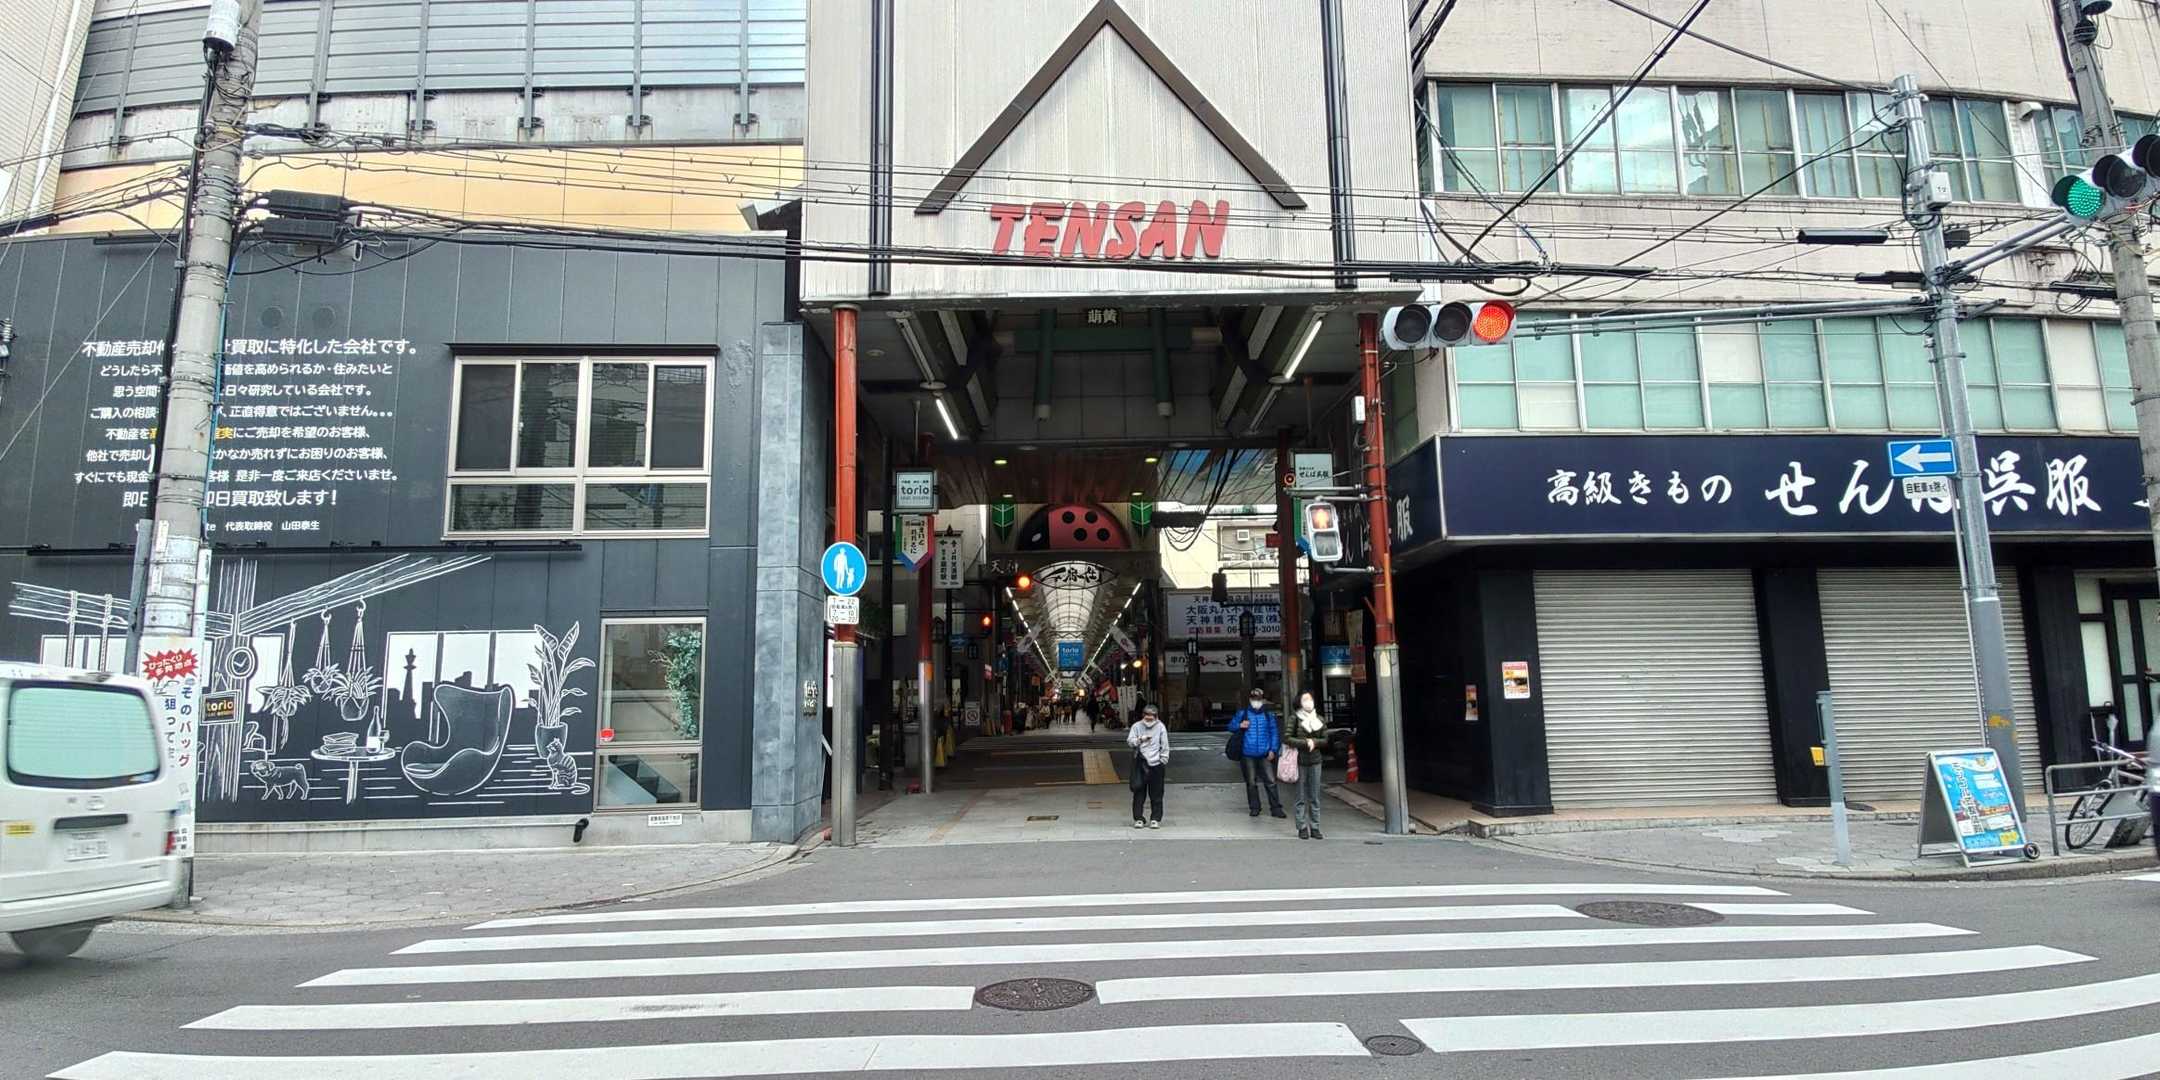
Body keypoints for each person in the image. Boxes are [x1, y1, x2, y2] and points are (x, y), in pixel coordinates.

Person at [1282, 690, 1328, 839]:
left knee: (1315, 796)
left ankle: (1315, 827)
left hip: (1315, 760)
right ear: (1299, 702)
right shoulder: (1294, 718)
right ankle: (1301, 826)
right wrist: (1305, 743)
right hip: (1299, 761)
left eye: (1310, 699)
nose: (1309, 702)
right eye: (1305, 699)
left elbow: (1325, 739)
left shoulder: (1319, 719)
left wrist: (1314, 742)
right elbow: (1287, 738)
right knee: (1300, 796)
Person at [1232, 687, 1285, 818]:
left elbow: (1274, 734)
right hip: (1247, 754)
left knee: (1271, 781)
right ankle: (1255, 807)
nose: (1256, 702)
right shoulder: (1243, 714)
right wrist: (1239, 725)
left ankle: (1276, 808)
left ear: (1263, 700)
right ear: (1250, 700)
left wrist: (1273, 750)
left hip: (1265, 754)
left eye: (1259, 699)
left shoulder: (1269, 715)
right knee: (1251, 782)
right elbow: (1230, 726)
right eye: (1254, 699)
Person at [1127, 703, 1169, 828]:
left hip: (1156, 764)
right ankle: (1138, 818)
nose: (1149, 719)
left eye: (1152, 716)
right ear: (1143, 715)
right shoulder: (1136, 726)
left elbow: (1165, 744)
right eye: (1147, 716)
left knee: (1157, 793)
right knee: (1139, 792)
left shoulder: (1160, 727)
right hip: (1141, 763)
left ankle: (1155, 818)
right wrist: (1140, 739)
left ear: (1156, 716)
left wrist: (1163, 759)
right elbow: (1130, 741)